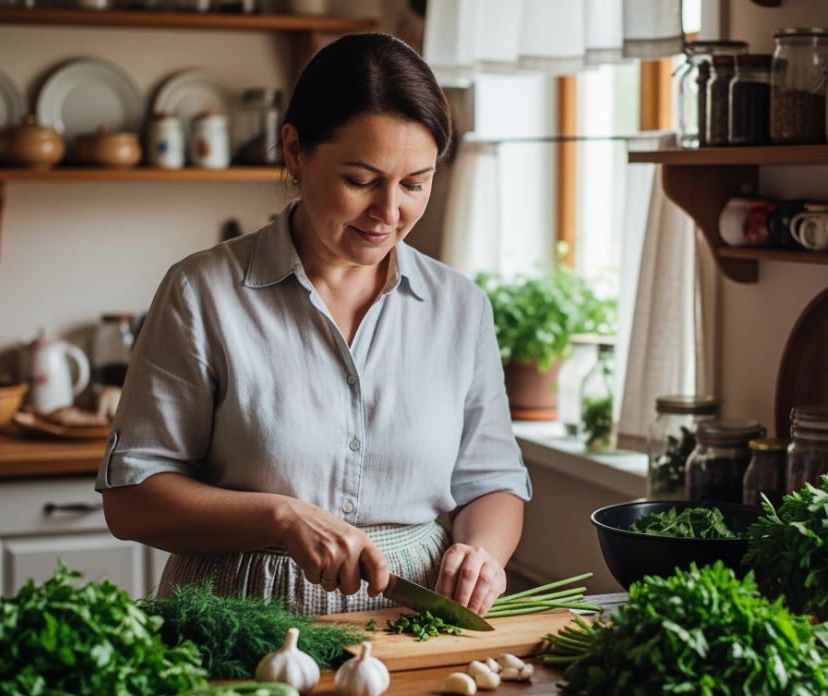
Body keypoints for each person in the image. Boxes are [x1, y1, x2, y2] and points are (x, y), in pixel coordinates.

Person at [97, 33, 530, 617]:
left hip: (411, 624)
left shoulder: (460, 306)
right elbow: (131, 501)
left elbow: (492, 480)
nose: (388, 212)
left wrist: (481, 553)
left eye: (414, 184)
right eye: (360, 180)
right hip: (236, 620)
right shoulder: (201, 293)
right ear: (295, 151)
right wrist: (279, 518)